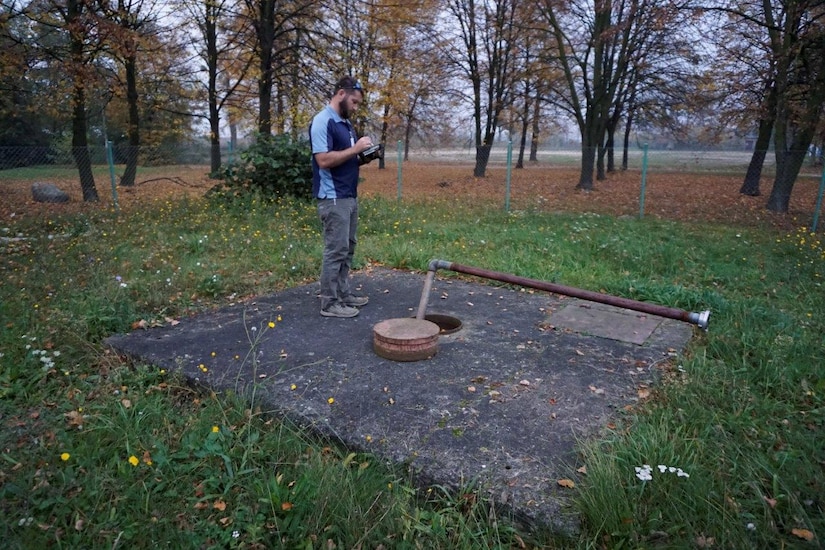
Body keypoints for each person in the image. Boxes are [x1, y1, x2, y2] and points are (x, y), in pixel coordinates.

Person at [310, 76, 375, 318]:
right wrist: (356, 149)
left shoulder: (345, 124)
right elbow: (324, 160)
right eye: (354, 102)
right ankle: (329, 303)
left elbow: (345, 157)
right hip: (332, 197)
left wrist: (363, 156)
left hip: (349, 195)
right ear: (341, 94)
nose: (355, 107)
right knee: (335, 250)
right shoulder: (322, 121)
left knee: (347, 248)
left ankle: (343, 293)